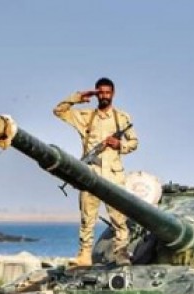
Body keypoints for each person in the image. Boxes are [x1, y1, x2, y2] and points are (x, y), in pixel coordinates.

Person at [54, 77, 139, 266]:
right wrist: (78, 97)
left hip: (113, 175)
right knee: (87, 217)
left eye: (107, 92)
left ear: (113, 94)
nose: (104, 96)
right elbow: (59, 111)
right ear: (96, 94)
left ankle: (121, 252)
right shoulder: (86, 117)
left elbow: (134, 142)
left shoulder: (121, 118)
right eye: (100, 93)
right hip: (90, 173)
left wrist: (120, 145)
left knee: (119, 217)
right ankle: (84, 255)